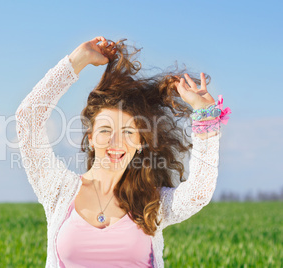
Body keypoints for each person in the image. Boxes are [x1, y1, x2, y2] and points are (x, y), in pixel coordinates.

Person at [15, 36, 231, 268]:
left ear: (140, 143)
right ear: (90, 138)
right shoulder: (59, 191)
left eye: (128, 132)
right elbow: (28, 119)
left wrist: (205, 115)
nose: (115, 142)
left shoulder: (151, 202)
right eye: (106, 130)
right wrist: (78, 60)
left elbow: (198, 193)